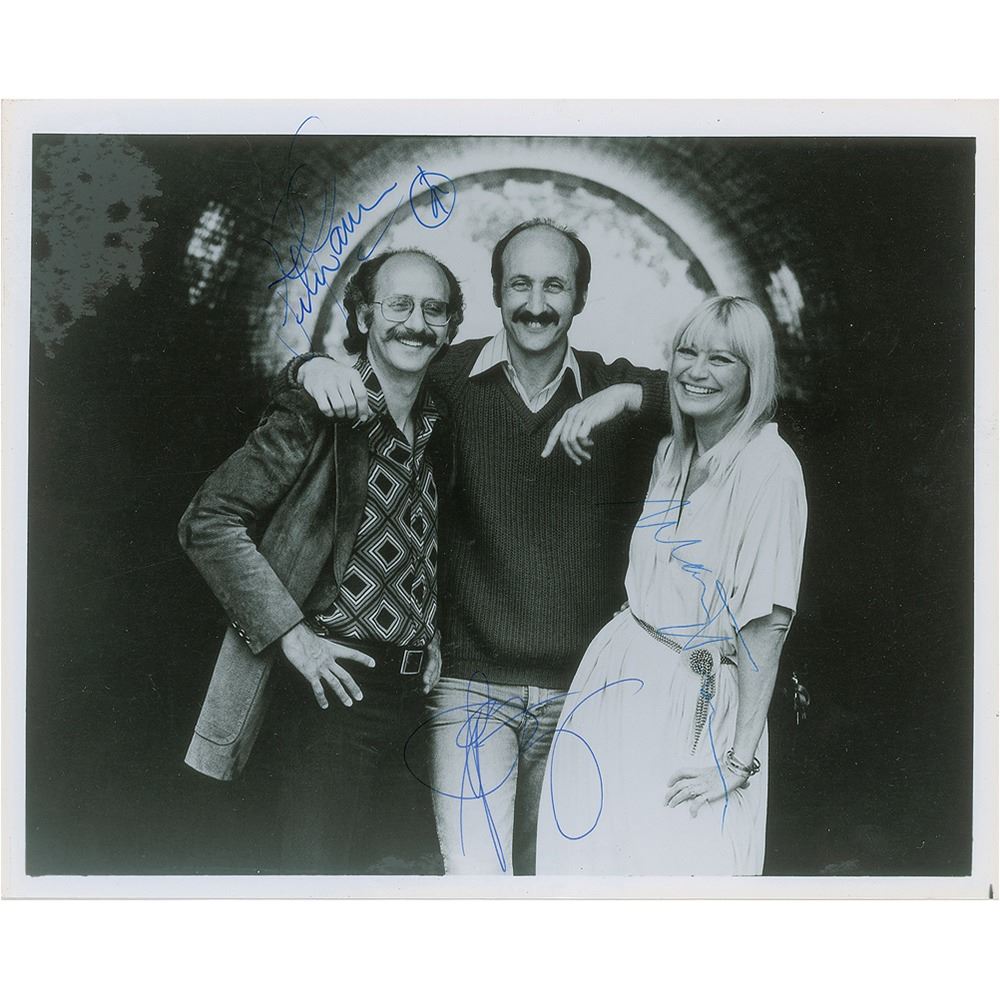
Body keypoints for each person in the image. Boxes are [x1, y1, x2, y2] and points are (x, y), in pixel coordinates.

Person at [286, 219, 670, 874]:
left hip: (583, 695)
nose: (536, 305)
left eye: (555, 286)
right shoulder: (447, 377)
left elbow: (734, 396)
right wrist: (309, 365)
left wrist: (629, 397)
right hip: (470, 690)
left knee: (562, 887)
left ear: (581, 297)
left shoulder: (610, 384)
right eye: (520, 284)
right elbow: (360, 372)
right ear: (496, 293)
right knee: (478, 886)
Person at [179, 249, 464, 874]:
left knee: (404, 891)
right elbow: (208, 521)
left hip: (414, 698)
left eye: (434, 310)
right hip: (332, 695)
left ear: (449, 329)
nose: (416, 324)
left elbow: (422, 542)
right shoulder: (319, 408)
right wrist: (295, 637)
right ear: (363, 316)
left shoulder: (438, 420)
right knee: (318, 889)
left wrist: (430, 629)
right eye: (399, 305)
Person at [534, 296, 807, 875]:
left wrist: (737, 762)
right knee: (590, 871)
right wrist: (620, 394)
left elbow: (767, 625)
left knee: (682, 876)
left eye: (721, 359)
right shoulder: (672, 453)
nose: (697, 371)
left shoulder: (770, 466)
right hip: (616, 680)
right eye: (687, 352)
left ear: (754, 375)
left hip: (696, 703)